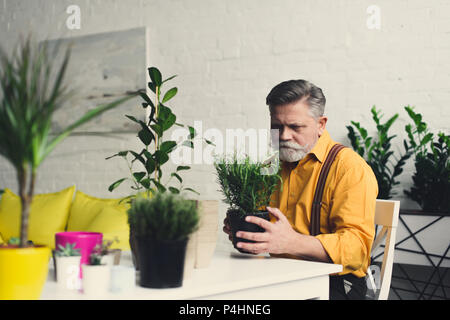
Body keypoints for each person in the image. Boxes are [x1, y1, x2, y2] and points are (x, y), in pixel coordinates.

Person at [223, 79, 378, 300]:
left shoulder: (348, 168)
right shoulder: (269, 168)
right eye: (277, 127)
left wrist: (292, 242)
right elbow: (264, 230)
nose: (284, 136)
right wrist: (249, 235)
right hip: (281, 280)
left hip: (331, 285)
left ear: (321, 124)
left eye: (295, 127)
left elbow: (358, 251)